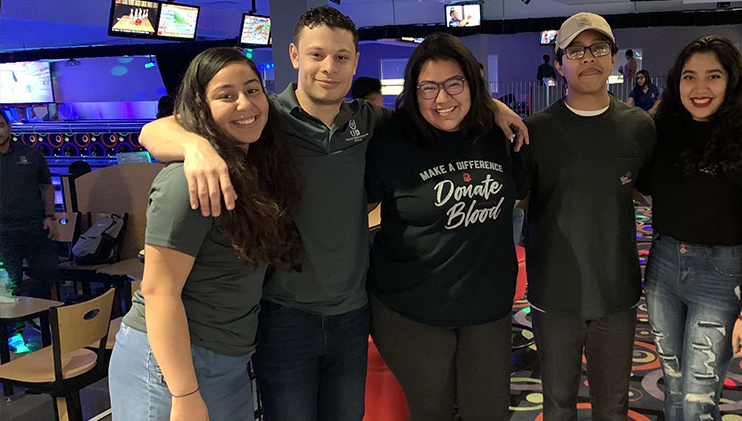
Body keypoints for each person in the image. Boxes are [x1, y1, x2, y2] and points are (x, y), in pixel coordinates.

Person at [137, 7, 527, 420]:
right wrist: (195, 146)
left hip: (352, 310)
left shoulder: (370, 120)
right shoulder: (262, 115)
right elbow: (155, 131)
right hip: (284, 312)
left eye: (341, 57)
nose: (329, 67)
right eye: (317, 54)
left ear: (355, 61)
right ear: (294, 55)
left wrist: (489, 105)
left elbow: (435, 108)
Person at [108, 47, 304, 421]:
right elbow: (159, 292)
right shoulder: (188, 181)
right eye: (225, 96)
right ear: (200, 107)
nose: (244, 104)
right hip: (172, 364)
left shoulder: (252, 168)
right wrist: (184, 394)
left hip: (227, 360)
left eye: (252, 90)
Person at [366, 32, 521, 421]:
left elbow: (524, 195)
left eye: (454, 84)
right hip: (411, 308)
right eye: (428, 88)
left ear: (473, 83)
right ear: (413, 91)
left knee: (487, 412)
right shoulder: (391, 138)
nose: (442, 98)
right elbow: (362, 208)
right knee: (431, 411)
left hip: (487, 306)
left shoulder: (497, 133)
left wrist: (494, 107)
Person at [513, 12, 657, 420]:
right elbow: (517, 199)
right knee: (558, 404)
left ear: (613, 58)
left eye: (597, 49)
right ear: (559, 64)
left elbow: (650, 192)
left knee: (612, 406)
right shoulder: (535, 131)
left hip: (616, 291)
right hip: (553, 293)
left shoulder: (639, 127)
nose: (588, 58)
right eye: (575, 50)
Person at [641, 35, 742, 421]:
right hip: (663, 266)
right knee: (672, 386)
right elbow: (638, 185)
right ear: (677, 83)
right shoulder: (664, 131)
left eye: (713, 77)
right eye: (689, 77)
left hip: (721, 275)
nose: (700, 88)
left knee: (698, 399)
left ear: (732, 82)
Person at [0, 110, 60, 301]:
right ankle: (15, 327)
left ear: (9, 127)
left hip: (36, 227)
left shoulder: (31, 154)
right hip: (4, 232)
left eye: (1, 125)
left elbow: (47, 187)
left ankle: (36, 316)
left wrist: (50, 217)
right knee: (10, 285)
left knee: (48, 274)